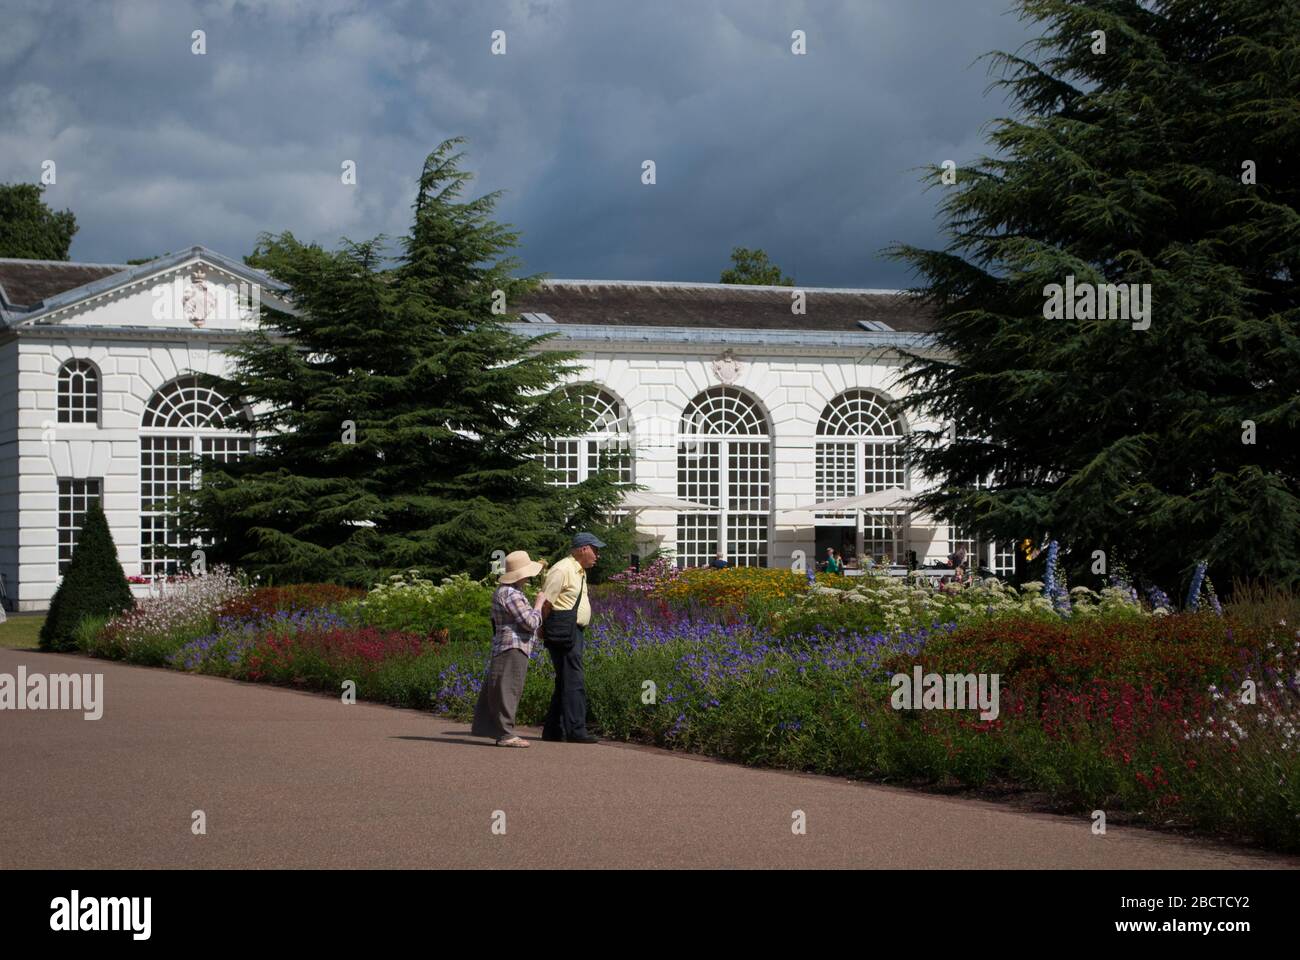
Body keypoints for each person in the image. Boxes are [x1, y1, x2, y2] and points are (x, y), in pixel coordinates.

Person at [471, 550, 549, 747]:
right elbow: (530, 622)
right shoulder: (511, 594)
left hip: (507, 646)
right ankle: (506, 734)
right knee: (509, 690)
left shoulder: (506, 592)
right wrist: (539, 605)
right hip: (513, 647)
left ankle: (495, 730)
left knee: (498, 689)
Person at [539, 532, 604, 744]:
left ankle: (553, 730)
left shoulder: (579, 571)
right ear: (583, 549)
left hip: (572, 631)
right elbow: (545, 602)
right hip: (564, 631)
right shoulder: (562, 569)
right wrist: (541, 627)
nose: (597, 555)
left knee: (565, 681)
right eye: (595, 550)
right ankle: (576, 730)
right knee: (574, 681)